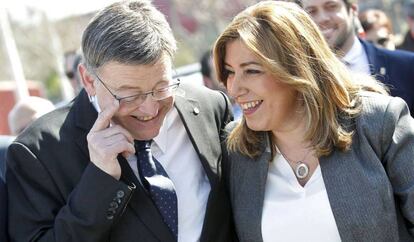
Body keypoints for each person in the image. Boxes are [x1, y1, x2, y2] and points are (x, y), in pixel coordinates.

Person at [6, 0, 235, 241]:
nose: (150, 108)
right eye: (129, 95)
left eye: (161, 87)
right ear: (88, 80)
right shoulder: (38, 154)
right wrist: (99, 181)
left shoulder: (211, 108)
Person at [214, 1, 414, 241]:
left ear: (297, 68)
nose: (234, 89)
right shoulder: (236, 154)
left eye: (252, 71)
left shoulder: (379, 122)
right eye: (230, 72)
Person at [299, 0, 414, 117]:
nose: (323, 18)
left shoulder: (406, 66)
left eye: (331, 6)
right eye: (311, 11)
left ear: (353, 10)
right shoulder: (299, 80)